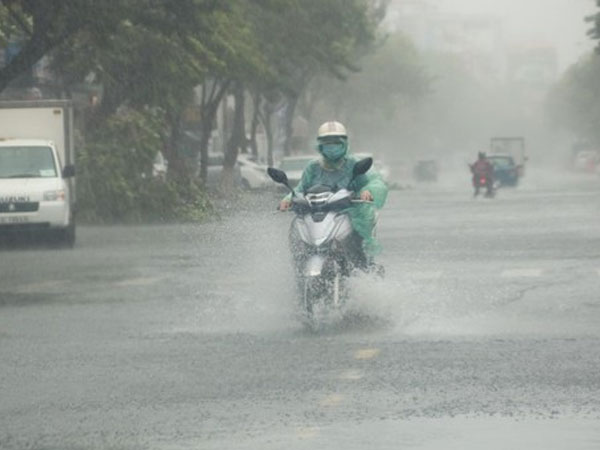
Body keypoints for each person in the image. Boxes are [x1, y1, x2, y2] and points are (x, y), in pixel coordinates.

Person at [279, 121, 388, 269]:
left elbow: (373, 182)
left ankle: (362, 268)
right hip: (317, 212)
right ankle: (299, 268)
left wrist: (367, 191)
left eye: (336, 142)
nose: (332, 147)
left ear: (344, 143)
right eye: (327, 143)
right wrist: (288, 199)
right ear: (320, 145)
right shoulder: (313, 167)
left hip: (348, 212)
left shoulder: (353, 164)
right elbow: (301, 188)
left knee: (356, 239)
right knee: (297, 230)